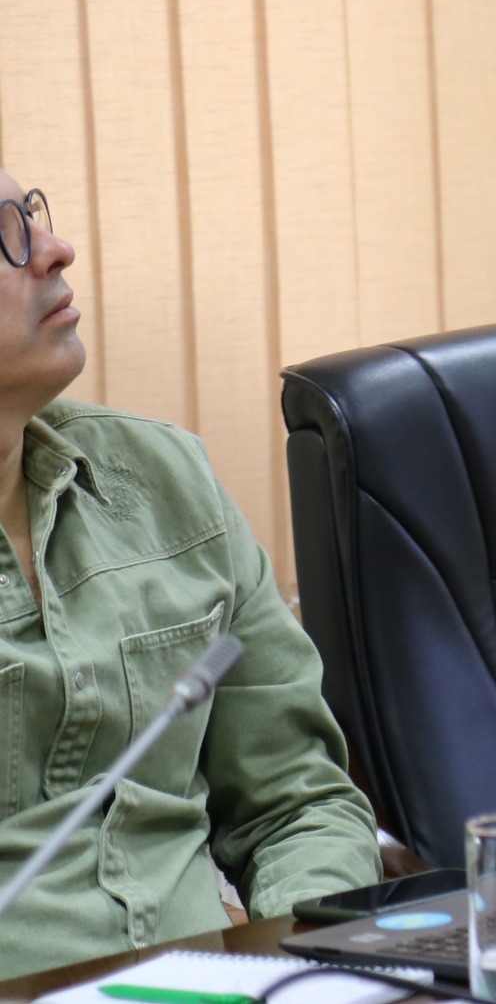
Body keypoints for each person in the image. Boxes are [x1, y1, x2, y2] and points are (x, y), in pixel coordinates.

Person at [0, 170, 379, 974]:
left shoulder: (167, 480)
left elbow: (297, 805)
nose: (55, 250)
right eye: (5, 236)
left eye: (32, 214)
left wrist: (306, 972)